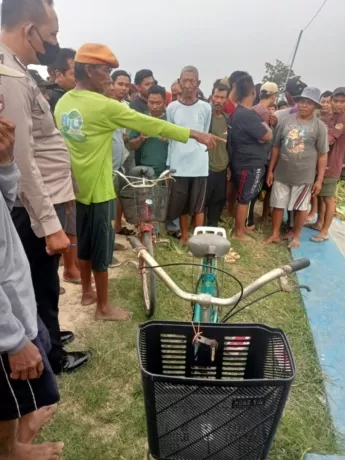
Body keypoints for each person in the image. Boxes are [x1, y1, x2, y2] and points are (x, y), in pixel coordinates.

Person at [54, 44, 222, 321]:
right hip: (98, 191)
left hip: (73, 190)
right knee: (101, 250)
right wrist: (194, 133)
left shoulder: (64, 103)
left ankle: (87, 293)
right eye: (106, 71)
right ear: (89, 70)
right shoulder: (104, 106)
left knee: (83, 244)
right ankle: (103, 307)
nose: (109, 77)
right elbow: (151, 123)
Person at [0, 0, 90, 374]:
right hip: (34, 207)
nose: (54, 42)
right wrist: (50, 225)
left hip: (42, 201)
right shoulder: (10, 77)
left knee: (44, 281)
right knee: (39, 284)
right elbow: (22, 159)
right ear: (28, 31)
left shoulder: (18, 71)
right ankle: (49, 353)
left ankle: (48, 335)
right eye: (51, 35)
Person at [0, 69, 63, 458]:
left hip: (15, 296)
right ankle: (12, 449)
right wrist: (12, 339)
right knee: (14, 384)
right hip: (6, 314)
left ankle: (20, 432)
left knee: (25, 386)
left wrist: (6, 163)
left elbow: (5, 205)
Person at [265, 87, 329, 248]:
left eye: (308, 103)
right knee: (278, 204)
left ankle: (296, 236)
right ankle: (275, 234)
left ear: (314, 106)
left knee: (301, 208)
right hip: (282, 173)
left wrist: (319, 180)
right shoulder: (286, 121)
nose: (304, 105)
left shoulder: (319, 126)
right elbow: (276, 147)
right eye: (302, 101)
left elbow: (322, 155)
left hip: (304, 176)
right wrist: (271, 170)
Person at [166, 66, 212, 244]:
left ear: (198, 84)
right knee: (183, 206)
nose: (187, 85)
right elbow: (171, 137)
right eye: (184, 80)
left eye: (192, 81)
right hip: (179, 165)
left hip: (199, 164)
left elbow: (205, 133)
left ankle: (198, 239)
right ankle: (185, 237)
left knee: (198, 206)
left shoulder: (205, 108)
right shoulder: (172, 108)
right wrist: (170, 164)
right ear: (179, 82)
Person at [46, 47, 81, 284]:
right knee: (64, 221)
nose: (78, 79)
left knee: (70, 221)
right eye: (74, 73)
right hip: (58, 173)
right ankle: (67, 268)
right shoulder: (57, 99)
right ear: (57, 73)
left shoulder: (66, 97)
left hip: (68, 170)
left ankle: (71, 265)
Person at [230, 75, 273, 240]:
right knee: (245, 198)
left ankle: (241, 228)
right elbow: (266, 136)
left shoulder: (244, 112)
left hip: (246, 162)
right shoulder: (246, 115)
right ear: (253, 92)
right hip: (248, 164)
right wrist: (267, 130)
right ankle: (239, 232)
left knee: (244, 196)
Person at [307, 88, 345, 243]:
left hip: (332, 165)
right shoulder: (331, 117)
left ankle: (324, 231)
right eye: (335, 101)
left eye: (342, 102)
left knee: (328, 198)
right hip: (322, 163)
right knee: (322, 196)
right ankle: (319, 223)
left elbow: (328, 140)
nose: (337, 104)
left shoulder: (342, 120)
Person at [251, 81, 279, 227]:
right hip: (261, 158)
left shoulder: (254, 108)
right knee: (257, 189)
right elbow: (263, 137)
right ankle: (251, 219)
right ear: (274, 97)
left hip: (254, 156)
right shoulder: (265, 112)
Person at [205, 84, 231, 226]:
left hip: (222, 167)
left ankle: (212, 225)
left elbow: (229, 145)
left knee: (219, 198)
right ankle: (197, 225)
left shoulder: (228, 120)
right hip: (206, 166)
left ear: (226, 100)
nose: (218, 101)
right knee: (204, 199)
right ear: (211, 96)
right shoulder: (206, 117)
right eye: (216, 96)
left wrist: (229, 165)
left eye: (222, 98)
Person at [306, 89, 333, 223]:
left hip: (328, 162)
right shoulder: (318, 119)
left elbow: (329, 141)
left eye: (328, 102)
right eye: (323, 102)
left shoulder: (330, 121)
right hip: (314, 161)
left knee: (325, 195)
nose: (326, 105)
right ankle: (316, 217)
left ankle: (318, 219)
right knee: (317, 192)